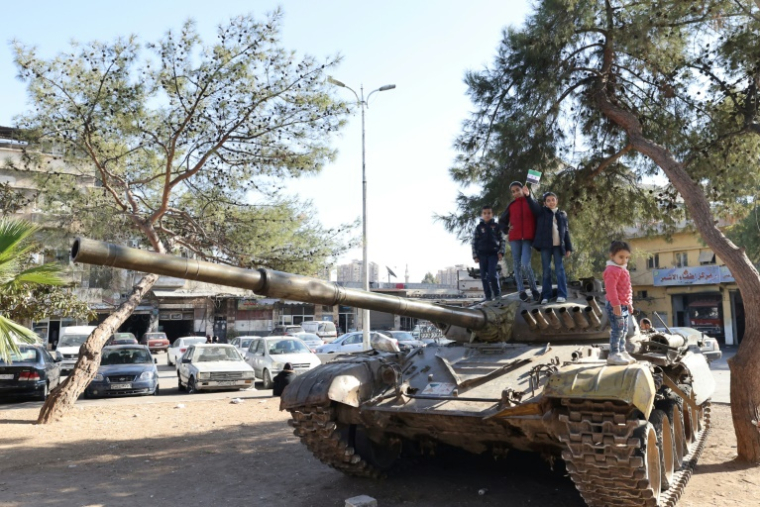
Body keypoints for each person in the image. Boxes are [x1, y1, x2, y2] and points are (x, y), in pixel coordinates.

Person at [527, 192, 572, 304]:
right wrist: (528, 195)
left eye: (553, 199)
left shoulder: (562, 215)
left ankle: (562, 294)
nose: (551, 202)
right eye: (548, 200)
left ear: (557, 200)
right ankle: (546, 295)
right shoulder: (542, 213)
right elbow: (533, 206)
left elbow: (566, 232)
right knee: (546, 271)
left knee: (559, 270)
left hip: (558, 246)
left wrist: (568, 248)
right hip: (546, 246)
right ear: (545, 203)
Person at [499, 182, 540, 301]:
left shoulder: (530, 202)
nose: (516, 193)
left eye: (518, 190)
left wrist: (528, 196)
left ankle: (534, 290)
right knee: (516, 265)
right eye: (513, 191)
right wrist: (507, 229)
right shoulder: (511, 206)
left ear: (523, 189)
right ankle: (521, 291)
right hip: (515, 239)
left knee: (525, 264)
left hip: (528, 238)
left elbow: (538, 212)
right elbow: (502, 221)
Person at [604, 240, 635, 365]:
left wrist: (629, 303)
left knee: (623, 330)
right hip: (615, 305)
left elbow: (628, 288)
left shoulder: (623, 270)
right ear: (612, 256)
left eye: (627, 257)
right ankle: (614, 353)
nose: (624, 260)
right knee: (617, 330)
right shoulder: (612, 270)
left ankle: (622, 351)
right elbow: (610, 289)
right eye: (621, 257)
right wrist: (616, 304)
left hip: (623, 305)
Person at [471, 205, 506, 300]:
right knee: (484, 276)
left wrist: (501, 252)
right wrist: (475, 256)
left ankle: (497, 294)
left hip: (493, 254)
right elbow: (474, 242)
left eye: (489, 213)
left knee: (492, 274)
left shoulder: (496, 226)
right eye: (485, 213)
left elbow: (502, 240)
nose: (487, 215)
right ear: (482, 215)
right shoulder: (479, 227)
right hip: (482, 255)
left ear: (492, 214)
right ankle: (488, 296)